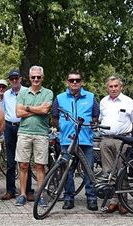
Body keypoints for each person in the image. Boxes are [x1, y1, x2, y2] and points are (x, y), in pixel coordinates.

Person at [52, 70, 100, 211]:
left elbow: (96, 116)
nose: (74, 82)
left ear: (81, 82)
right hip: (67, 140)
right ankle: (68, 198)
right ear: (67, 82)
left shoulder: (90, 97)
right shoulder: (60, 98)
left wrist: (89, 124)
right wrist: (63, 127)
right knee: (67, 171)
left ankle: (91, 198)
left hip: (85, 140)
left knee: (88, 170)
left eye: (77, 80)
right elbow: (54, 117)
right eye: (71, 80)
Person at [99, 75, 133, 214]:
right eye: (110, 86)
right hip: (106, 140)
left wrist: (129, 136)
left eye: (116, 86)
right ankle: (113, 201)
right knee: (108, 172)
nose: (113, 89)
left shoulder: (128, 102)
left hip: (122, 141)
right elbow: (100, 119)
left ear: (121, 87)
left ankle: (124, 203)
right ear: (107, 88)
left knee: (122, 171)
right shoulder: (103, 101)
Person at [15, 66, 53, 206]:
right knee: (23, 165)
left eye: (38, 77)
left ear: (42, 78)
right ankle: (23, 194)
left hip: (41, 134)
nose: (36, 79)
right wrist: (38, 110)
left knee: (40, 166)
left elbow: (46, 110)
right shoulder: (23, 93)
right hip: (24, 132)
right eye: (33, 77)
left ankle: (42, 194)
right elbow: (18, 113)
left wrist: (28, 108)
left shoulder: (48, 93)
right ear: (29, 78)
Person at [1, 69, 34, 201]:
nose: (14, 80)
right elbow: (3, 112)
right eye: (12, 79)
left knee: (25, 160)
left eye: (16, 78)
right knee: (10, 161)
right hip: (9, 127)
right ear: (10, 80)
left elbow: (31, 109)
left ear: (20, 78)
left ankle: (28, 190)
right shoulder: (6, 94)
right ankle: (10, 190)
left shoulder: (27, 91)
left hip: (24, 125)